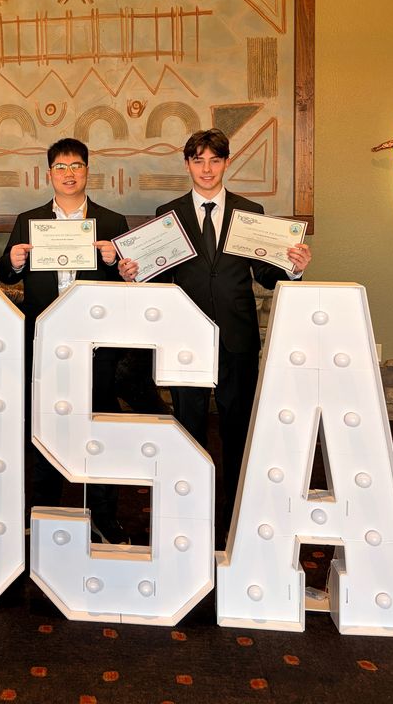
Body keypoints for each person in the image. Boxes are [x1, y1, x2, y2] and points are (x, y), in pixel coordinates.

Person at [119, 129, 312, 536]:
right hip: (184, 338)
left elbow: (264, 272)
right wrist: (134, 274)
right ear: (187, 164)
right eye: (198, 161)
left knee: (237, 427)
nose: (206, 169)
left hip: (236, 338)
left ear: (226, 163)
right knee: (188, 426)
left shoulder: (249, 210)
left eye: (215, 160)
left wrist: (293, 266)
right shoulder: (168, 212)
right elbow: (159, 274)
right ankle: (188, 514)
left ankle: (239, 516)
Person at [0, 138, 130, 543]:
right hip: (45, 341)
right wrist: (14, 262)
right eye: (60, 167)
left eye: (76, 166)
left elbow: (130, 277)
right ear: (49, 173)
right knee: (44, 428)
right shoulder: (28, 220)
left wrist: (113, 261)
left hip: (96, 343)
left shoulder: (111, 221)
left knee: (99, 428)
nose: (69, 173)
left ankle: (104, 516)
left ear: (87, 171)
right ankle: (42, 513)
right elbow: (5, 271)